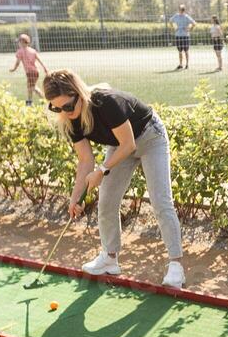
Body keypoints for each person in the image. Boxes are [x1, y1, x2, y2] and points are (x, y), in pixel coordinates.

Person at [42, 70, 185, 288]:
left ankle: (176, 265)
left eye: (68, 106)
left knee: (160, 201)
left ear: (79, 94)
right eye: (56, 108)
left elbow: (130, 144)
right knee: (107, 200)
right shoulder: (70, 122)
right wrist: (75, 198)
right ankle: (110, 259)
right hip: (120, 145)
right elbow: (85, 161)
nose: (64, 112)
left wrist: (102, 170)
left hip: (150, 137)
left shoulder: (106, 102)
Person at [8, 33, 46, 104]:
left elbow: (17, 62)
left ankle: (39, 99)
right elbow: (40, 60)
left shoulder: (20, 51)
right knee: (31, 87)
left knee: (31, 87)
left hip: (30, 72)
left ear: (22, 43)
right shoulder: (32, 51)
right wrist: (45, 68)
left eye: (19, 42)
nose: (18, 44)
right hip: (36, 71)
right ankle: (31, 100)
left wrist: (13, 69)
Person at [170, 4, 195, 70]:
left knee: (186, 50)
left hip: (185, 36)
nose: (180, 10)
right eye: (180, 9)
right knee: (180, 51)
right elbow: (170, 21)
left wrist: (189, 29)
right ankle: (181, 64)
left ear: (183, 10)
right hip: (178, 35)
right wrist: (174, 28)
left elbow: (194, 23)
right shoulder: (176, 16)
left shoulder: (186, 17)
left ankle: (187, 64)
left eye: (181, 9)